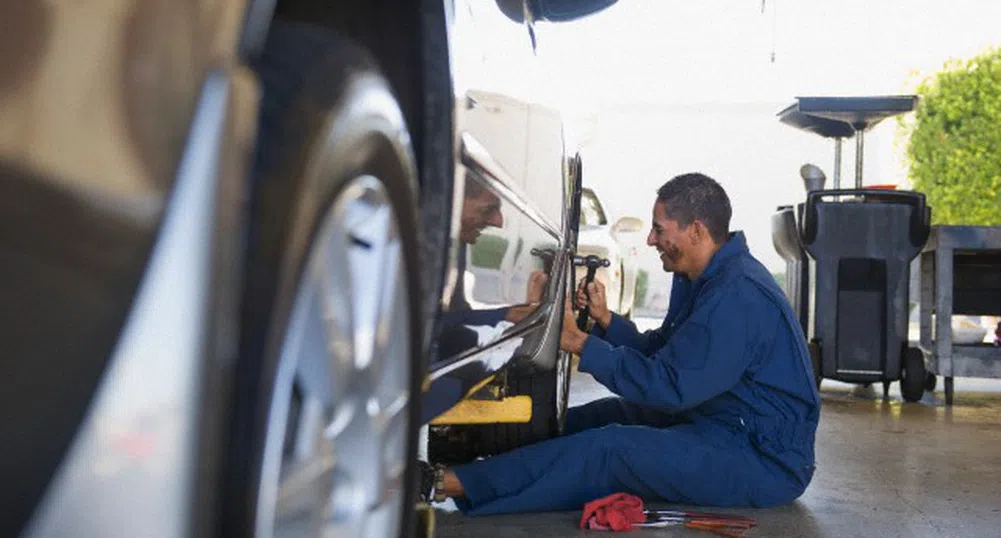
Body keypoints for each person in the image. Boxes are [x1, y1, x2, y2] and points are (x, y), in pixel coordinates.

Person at [420, 172, 821, 515]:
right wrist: (607, 323)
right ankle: (471, 448)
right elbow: (664, 351)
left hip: (761, 459)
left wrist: (579, 343)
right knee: (605, 414)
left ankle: (450, 483)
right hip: (720, 419)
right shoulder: (704, 278)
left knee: (612, 450)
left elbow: (671, 387)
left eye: (659, 229)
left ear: (696, 231)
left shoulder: (738, 295)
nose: (649, 239)